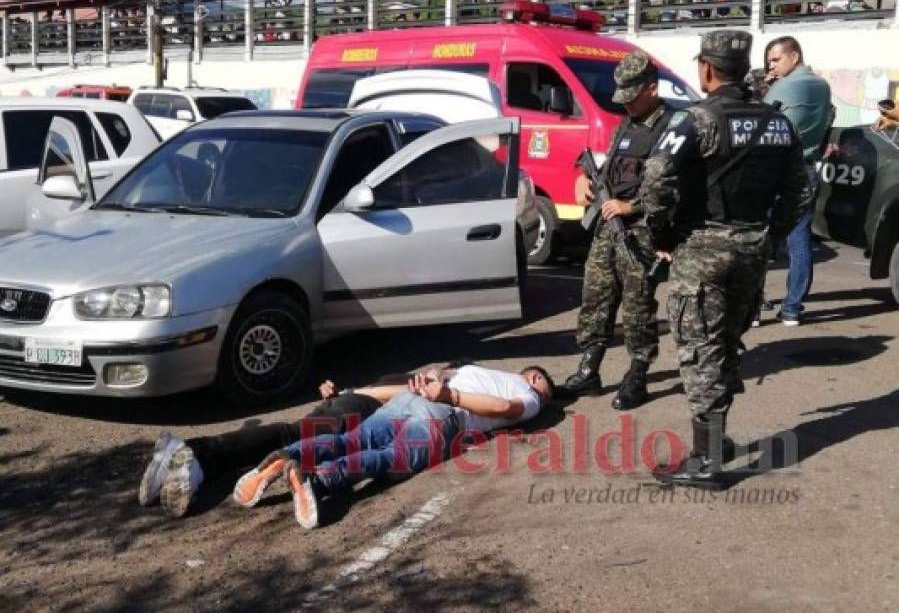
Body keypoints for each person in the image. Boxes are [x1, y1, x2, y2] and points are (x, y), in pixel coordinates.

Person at [637, 30, 812, 489]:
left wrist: (662, 233)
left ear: (707, 69)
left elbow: (655, 180)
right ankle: (717, 440)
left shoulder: (697, 119)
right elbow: (800, 191)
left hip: (703, 249)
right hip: (753, 251)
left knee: (700, 352)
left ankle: (707, 460)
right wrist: (771, 237)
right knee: (726, 343)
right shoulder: (779, 123)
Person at [235, 364, 554, 529]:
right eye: (545, 388)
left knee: (351, 440)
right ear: (534, 377)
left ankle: (290, 455)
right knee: (389, 458)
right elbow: (503, 410)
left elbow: (425, 379)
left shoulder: (470, 371)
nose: (543, 396)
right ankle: (318, 481)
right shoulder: (530, 396)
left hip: (407, 400)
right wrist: (450, 397)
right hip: (443, 415)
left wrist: (353, 390)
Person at [562, 50, 674, 411]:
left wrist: (634, 207)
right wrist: (584, 182)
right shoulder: (626, 123)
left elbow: (677, 186)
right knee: (595, 298)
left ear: (652, 89)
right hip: (607, 229)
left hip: (641, 233)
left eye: (632, 96)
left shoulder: (673, 127)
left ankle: (637, 375)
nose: (624, 104)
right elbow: (607, 168)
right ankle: (588, 369)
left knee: (638, 307)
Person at [138, 382, 386, 517]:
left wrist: (342, 392)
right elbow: (401, 388)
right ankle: (197, 455)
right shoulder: (413, 383)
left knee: (288, 438)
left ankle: (188, 461)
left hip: (356, 404)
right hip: (363, 407)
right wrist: (353, 392)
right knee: (289, 437)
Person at [764, 36, 833, 326]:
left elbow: (760, 119)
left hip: (775, 169)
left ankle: (753, 305)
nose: (771, 66)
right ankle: (793, 307)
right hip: (806, 167)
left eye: (776, 60)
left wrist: (766, 89)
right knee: (800, 240)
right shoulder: (822, 86)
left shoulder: (785, 86)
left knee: (760, 237)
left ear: (794, 56)